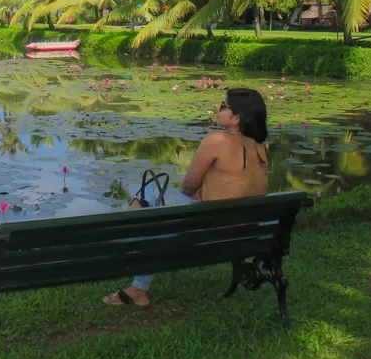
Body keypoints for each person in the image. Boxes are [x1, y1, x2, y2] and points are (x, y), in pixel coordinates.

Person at [103, 88, 270, 307]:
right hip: (242, 235)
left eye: (223, 106)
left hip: (210, 230)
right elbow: (237, 189)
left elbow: (189, 185)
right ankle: (138, 274)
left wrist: (185, 196)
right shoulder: (260, 148)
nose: (218, 109)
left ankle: (129, 248)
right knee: (157, 208)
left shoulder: (217, 139)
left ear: (236, 117)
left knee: (151, 190)